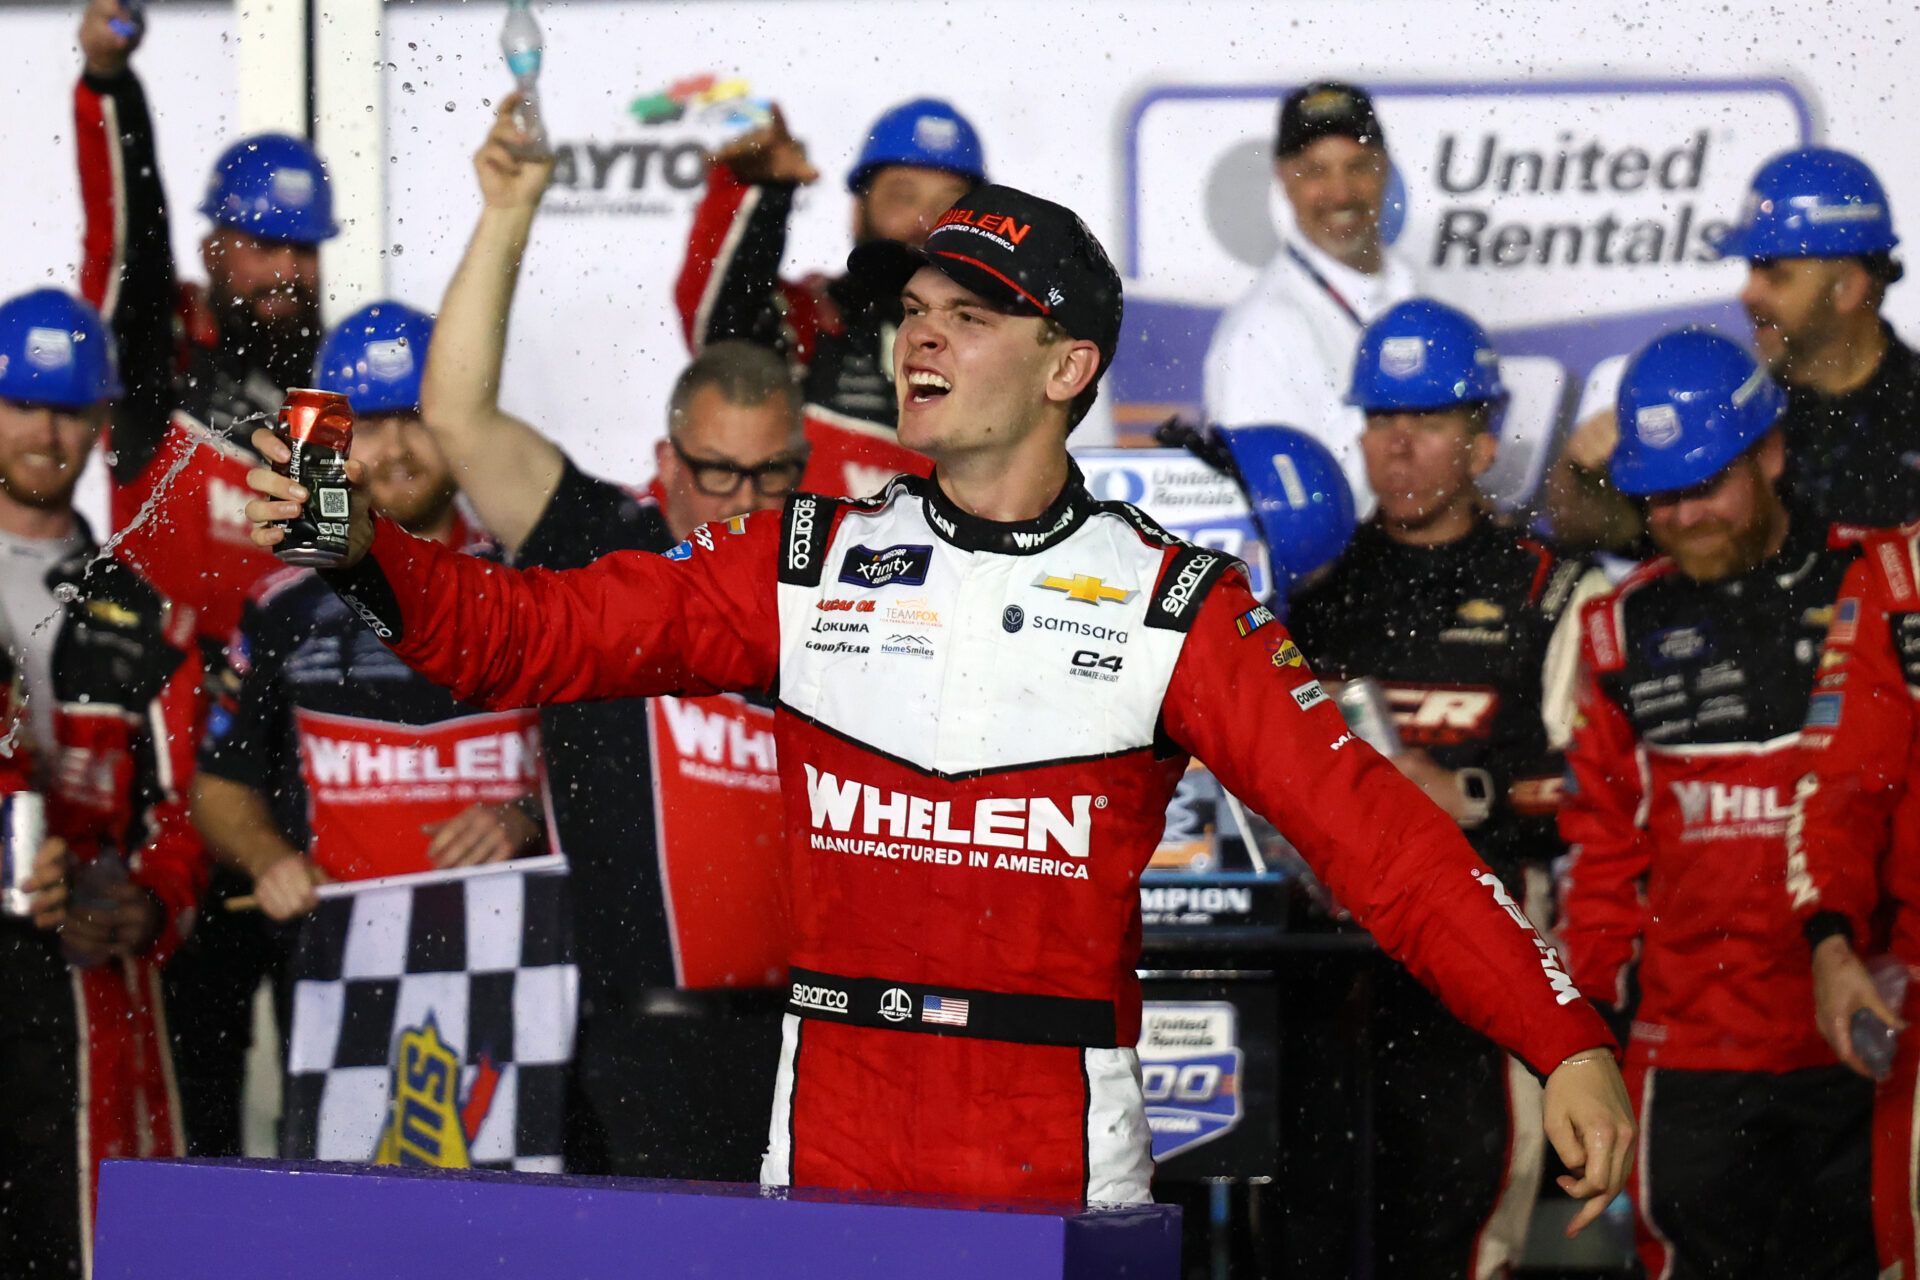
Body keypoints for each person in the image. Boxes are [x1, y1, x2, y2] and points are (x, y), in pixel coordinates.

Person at [248, 180, 1635, 1214]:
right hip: (835, 1118)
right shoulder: (808, 554)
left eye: (970, 320)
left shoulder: (1177, 603)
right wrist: (358, 547)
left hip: (1045, 1136)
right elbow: (523, 636)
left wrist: (1560, 1032)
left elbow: (1377, 845)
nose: (921, 340)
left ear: (1067, 368)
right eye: (915, 313)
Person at [416, 101, 807, 1179]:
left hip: (805, 1037)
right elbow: (456, 418)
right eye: (717, 472)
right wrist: (510, 211)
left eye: (772, 474)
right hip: (629, 1035)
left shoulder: (838, 581)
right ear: (666, 459)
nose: (742, 501)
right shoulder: (602, 542)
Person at [1286, 299, 1606, 1279]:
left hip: (1489, 935)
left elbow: (1597, 786)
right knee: (1322, 1224)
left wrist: (1463, 787)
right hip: (1334, 960)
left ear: (1481, 439)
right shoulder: (1318, 588)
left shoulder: (1553, 587)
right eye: (1381, 421)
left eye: (1426, 422)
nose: (1398, 446)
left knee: (1467, 1227)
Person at [76, 0, 340, 1158]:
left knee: (353, 1119)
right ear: (214, 249)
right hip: (185, 812)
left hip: (315, 812)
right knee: (196, 1123)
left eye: (301, 248)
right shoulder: (156, 372)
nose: (282, 270)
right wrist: (113, 88)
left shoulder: (340, 397)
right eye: (259, 245)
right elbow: (125, 245)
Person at [1558, 329, 1875, 1278]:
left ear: (1771, 454)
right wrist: (1584, 1037)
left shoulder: (1879, 589)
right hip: (1691, 1062)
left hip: (1861, 1047)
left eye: (1709, 487)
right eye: (1660, 497)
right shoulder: (1617, 630)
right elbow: (1602, 854)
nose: (1685, 515)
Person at [193, 301, 545, 929]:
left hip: (519, 955)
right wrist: (271, 860)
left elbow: (619, 763)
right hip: (345, 966)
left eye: (417, 418)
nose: (398, 449)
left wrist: (529, 815)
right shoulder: (284, 605)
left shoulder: (531, 583)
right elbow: (219, 785)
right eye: (373, 425)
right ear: (330, 439)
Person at [0, 288, 206, 1278]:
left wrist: (152, 899)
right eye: (23, 403)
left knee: (78, 1242)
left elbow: (186, 800)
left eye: (71, 409)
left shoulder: (141, 607)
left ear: (100, 423)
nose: (46, 432)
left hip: (78, 986)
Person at [1546, 145, 1917, 547]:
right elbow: (1607, 535)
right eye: (1750, 269)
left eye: (1774, 274)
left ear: (1849, 287)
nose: (1748, 293)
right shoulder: (1723, 401)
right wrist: (1581, 474)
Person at [675, 97, 985, 434]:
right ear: (857, 210)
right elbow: (722, 333)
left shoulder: (1007, 340)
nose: (926, 222)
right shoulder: (817, 320)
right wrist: (762, 194)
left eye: (949, 204)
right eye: (903, 197)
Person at [1204, 81, 1420, 517]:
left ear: (1384, 168)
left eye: (1357, 166)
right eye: (1315, 171)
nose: (1341, 194)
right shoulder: (1258, 333)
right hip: (1336, 579)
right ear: (1284, 179)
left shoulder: (1414, 288)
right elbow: (1273, 524)